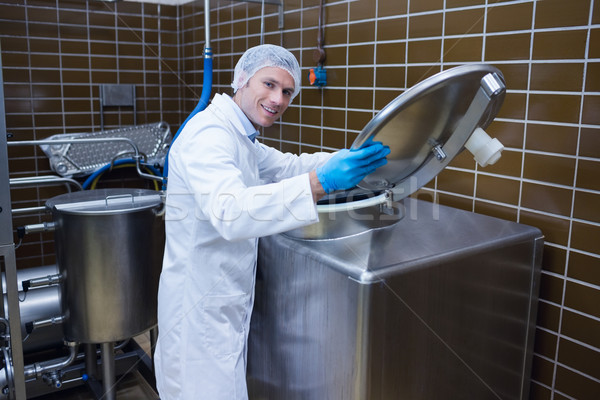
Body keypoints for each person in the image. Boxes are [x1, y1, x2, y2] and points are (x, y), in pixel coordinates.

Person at [154, 44, 390, 400]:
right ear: (242, 80)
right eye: (269, 84)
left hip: (221, 311)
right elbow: (231, 213)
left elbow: (287, 166)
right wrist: (320, 183)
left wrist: (345, 159)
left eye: (287, 91)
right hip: (199, 319)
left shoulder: (241, 136)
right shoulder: (210, 135)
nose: (278, 99)